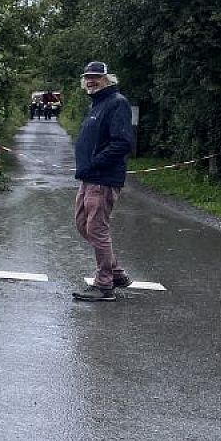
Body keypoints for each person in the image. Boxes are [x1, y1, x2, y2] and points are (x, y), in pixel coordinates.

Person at [71, 61, 134, 301]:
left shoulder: (117, 103)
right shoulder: (97, 104)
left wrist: (96, 162)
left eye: (96, 77)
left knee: (96, 228)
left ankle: (104, 285)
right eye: (88, 76)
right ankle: (116, 272)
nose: (91, 80)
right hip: (89, 177)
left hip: (103, 178)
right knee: (83, 224)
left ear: (108, 79)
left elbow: (122, 143)